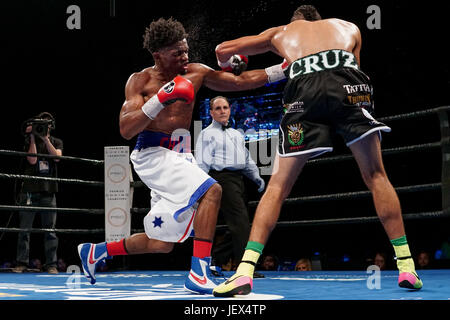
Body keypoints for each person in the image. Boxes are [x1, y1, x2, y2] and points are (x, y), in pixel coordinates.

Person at [212, 5, 423, 297]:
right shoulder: (350, 27)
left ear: (296, 21)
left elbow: (223, 49)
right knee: (376, 175)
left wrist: (234, 62)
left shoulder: (283, 32)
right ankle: (407, 266)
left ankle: (245, 271)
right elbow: (355, 71)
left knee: (278, 186)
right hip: (350, 86)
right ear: (319, 19)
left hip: (303, 92)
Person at [77, 17, 283, 295]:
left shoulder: (195, 73)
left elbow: (239, 81)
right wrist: (160, 99)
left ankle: (96, 251)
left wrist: (283, 69)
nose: (185, 57)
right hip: (152, 153)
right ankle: (199, 272)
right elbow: (126, 129)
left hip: (181, 156)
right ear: (157, 55)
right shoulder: (140, 81)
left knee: (163, 241)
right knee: (212, 191)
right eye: (177, 53)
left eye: (186, 50)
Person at [195, 95, 265, 272]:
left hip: (239, 180)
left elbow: (246, 159)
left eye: (225, 107)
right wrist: (199, 190)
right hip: (221, 179)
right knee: (240, 222)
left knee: (240, 223)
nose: (222, 111)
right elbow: (202, 163)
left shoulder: (236, 134)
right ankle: (245, 267)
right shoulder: (207, 134)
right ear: (211, 112)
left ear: (230, 110)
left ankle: (217, 259)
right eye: (218, 108)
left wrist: (256, 177)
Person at [13, 112, 62, 275]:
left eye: (46, 125)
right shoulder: (29, 141)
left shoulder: (56, 142)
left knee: (50, 230)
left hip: (49, 191)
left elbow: (56, 158)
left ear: (50, 127)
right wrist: (33, 137)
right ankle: (21, 263)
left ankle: (51, 264)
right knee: (24, 229)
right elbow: (32, 160)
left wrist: (45, 139)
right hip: (29, 191)